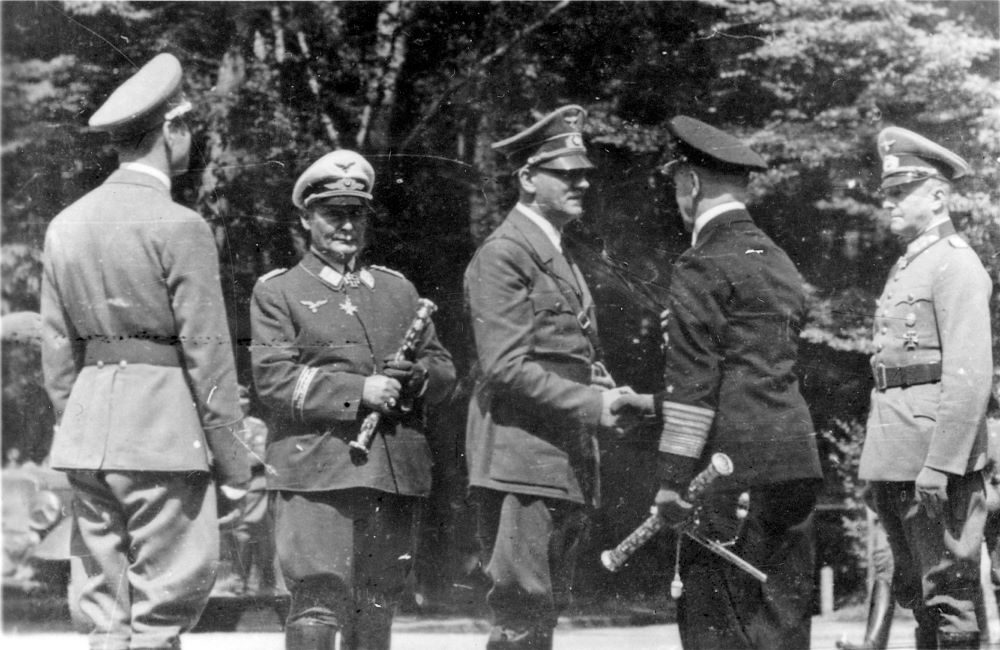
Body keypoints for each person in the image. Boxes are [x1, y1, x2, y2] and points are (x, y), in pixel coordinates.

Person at [39, 53, 251, 650]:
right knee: (161, 613)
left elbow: (57, 355)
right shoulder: (180, 226)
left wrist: (78, 423)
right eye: (188, 127)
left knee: (105, 617)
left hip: (88, 436)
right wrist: (235, 468)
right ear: (172, 129)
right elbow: (208, 357)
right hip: (162, 437)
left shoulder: (65, 225)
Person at [612, 115, 823, 649]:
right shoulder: (778, 261)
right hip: (793, 461)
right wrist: (649, 403)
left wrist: (669, 480)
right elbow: (751, 373)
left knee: (719, 632)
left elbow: (698, 382)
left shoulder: (700, 264)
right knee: (781, 628)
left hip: (725, 475)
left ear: (691, 184)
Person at [249, 149, 456, 650]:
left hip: (392, 471)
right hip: (319, 469)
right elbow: (273, 378)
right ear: (305, 218)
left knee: (378, 599)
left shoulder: (398, 290)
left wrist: (416, 378)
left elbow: (446, 371)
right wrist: (359, 391)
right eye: (333, 213)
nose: (347, 225)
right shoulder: (280, 292)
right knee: (319, 600)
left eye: (356, 213)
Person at [464, 105, 630, 650]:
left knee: (545, 609)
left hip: (559, 458)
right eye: (565, 173)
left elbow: (562, 351)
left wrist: (598, 381)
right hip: (519, 459)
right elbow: (505, 366)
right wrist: (589, 404)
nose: (581, 182)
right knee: (521, 609)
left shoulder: (557, 254)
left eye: (584, 173)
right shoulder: (505, 254)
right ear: (528, 179)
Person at [855, 125, 992, 649]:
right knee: (916, 593)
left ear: (936, 195)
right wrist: (880, 465)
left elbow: (969, 373)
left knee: (949, 596)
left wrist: (941, 463)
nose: (887, 203)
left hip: (935, 460)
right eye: (886, 193)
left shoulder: (954, 263)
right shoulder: (910, 262)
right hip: (897, 454)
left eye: (898, 193)